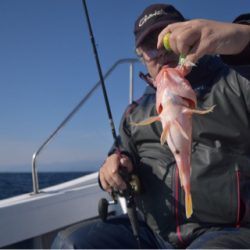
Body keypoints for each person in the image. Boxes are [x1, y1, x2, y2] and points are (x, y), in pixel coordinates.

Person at [52, 3, 250, 249]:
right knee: (70, 243)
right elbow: (120, 154)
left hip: (228, 230)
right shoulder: (136, 113)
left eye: (169, 40)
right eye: (151, 47)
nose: (161, 51)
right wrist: (113, 168)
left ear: (189, 36)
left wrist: (242, 36)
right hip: (153, 232)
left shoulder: (236, 81)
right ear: (141, 56)